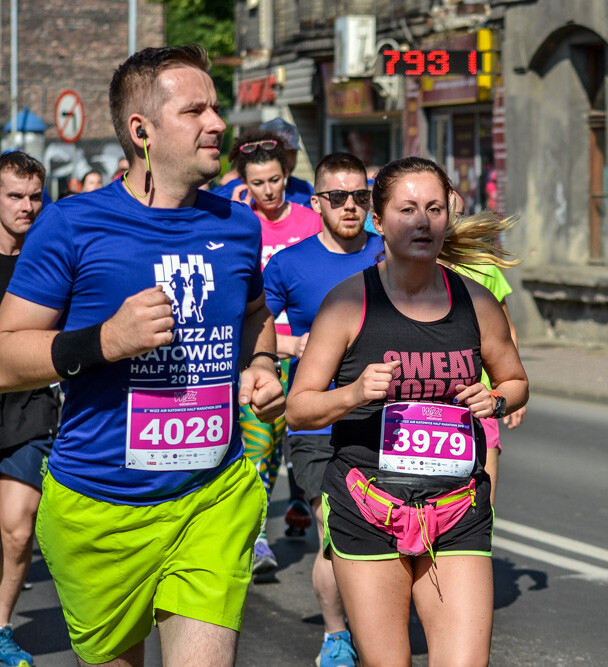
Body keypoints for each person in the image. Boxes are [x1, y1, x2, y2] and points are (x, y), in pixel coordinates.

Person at [0, 44, 284, 666]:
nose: (218, 123)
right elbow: (4, 357)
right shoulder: (73, 225)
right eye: (195, 110)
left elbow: (256, 313)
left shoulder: (238, 224)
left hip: (211, 497)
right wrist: (105, 340)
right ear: (142, 131)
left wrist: (259, 364)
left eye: (216, 107)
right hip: (100, 509)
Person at [286, 156, 528, 665]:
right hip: (369, 504)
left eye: (435, 209)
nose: (423, 221)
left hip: (457, 505)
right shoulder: (348, 303)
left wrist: (497, 399)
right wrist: (352, 394)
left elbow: (516, 381)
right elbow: (299, 410)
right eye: (408, 209)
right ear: (379, 221)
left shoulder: (477, 302)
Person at [264, 151, 383, 667]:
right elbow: (256, 324)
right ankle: (337, 636)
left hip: (384, 415)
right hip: (317, 416)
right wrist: (276, 358)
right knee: (335, 527)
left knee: (380, 530)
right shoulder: (289, 264)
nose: (351, 206)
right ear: (316, 203)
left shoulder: (390, 254)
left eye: (361, 196)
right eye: (338, 197)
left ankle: (376, 621)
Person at [231, 129, 322, 575]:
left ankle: (315, 511)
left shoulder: (310, 220)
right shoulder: (238, 224)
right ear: (244, 184)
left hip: (311, 357)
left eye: (274, 180)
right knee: (259, 448)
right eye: (257, 183)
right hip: (259, 354)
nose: (267, 191)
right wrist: (279, 344)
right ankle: (257, 538)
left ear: (287, 175)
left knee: (304, 443)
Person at [0, 151, 57, 667]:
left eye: (35, 196)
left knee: (18, 528)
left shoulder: (51, 256)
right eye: (15, 196)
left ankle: (0, 628)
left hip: (31, 407)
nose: (27, 206)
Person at [446, 192, 526, 505]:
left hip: (481, 401)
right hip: (427, 406)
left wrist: (509, 389)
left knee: (481, 504)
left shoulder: (483, 267)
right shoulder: (399, 269)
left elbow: (508, 330)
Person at [211, 117, 313, 205]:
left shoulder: (306, 190)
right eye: (279, 151)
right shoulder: (232, 191)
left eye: (291, 152)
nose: (286, 158)